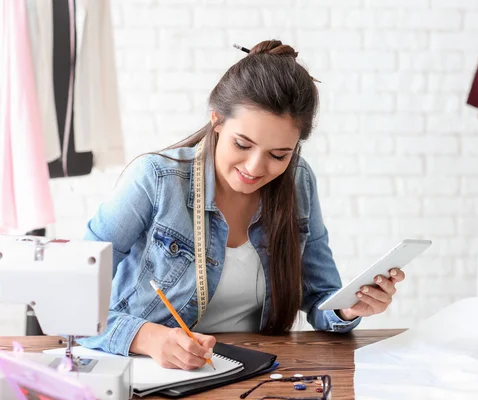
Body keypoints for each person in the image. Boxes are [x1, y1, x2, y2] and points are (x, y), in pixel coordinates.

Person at [77, 40, 406, 371]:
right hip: (155, 373)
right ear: (217, 120)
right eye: (242, 144)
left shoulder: (298, 182)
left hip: (252, 374)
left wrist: (349, 308)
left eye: (279, 155)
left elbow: (321, 297)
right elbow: (74, 298)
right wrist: (147, 338)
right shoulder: (155, 180)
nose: (254, 168)